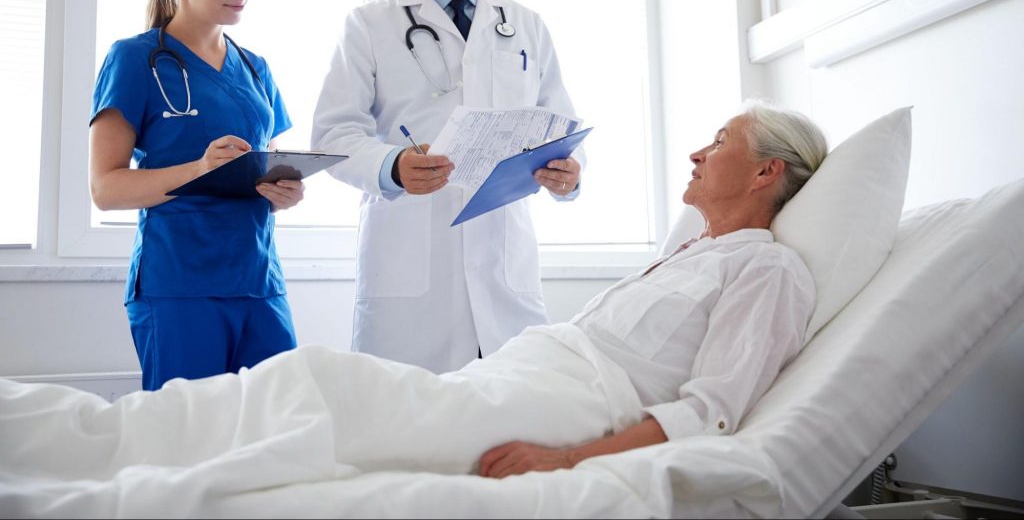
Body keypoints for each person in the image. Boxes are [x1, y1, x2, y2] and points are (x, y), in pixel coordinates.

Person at [4, 101, 828, 484]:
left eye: (717, 141)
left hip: (566, 403)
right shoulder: (690, 252)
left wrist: (567, 459)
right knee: (311, 383)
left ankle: (92, 453)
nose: (694, 152)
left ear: (765, 172)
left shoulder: (767, 268)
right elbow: (338, 137)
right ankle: (83, 438)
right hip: (523, 371)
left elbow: (711, 409)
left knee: (318, 384)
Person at [311, 0, 584, 373]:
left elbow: (561, 123)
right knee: (407, 432)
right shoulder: (370, 25)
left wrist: (571, 170)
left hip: (505, 270)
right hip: (412, 269)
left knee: (512, 420)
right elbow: (333, 135)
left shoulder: (523, 24)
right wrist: (392, 166)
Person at [89, 0, 305, 391]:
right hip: (179, 286)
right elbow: (106, 188)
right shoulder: (135, 59)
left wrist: (284, 191)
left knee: (279, 428)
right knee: (187, 442)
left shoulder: (255, 69)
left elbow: (266, 166)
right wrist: (201, 168)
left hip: (258, 281)